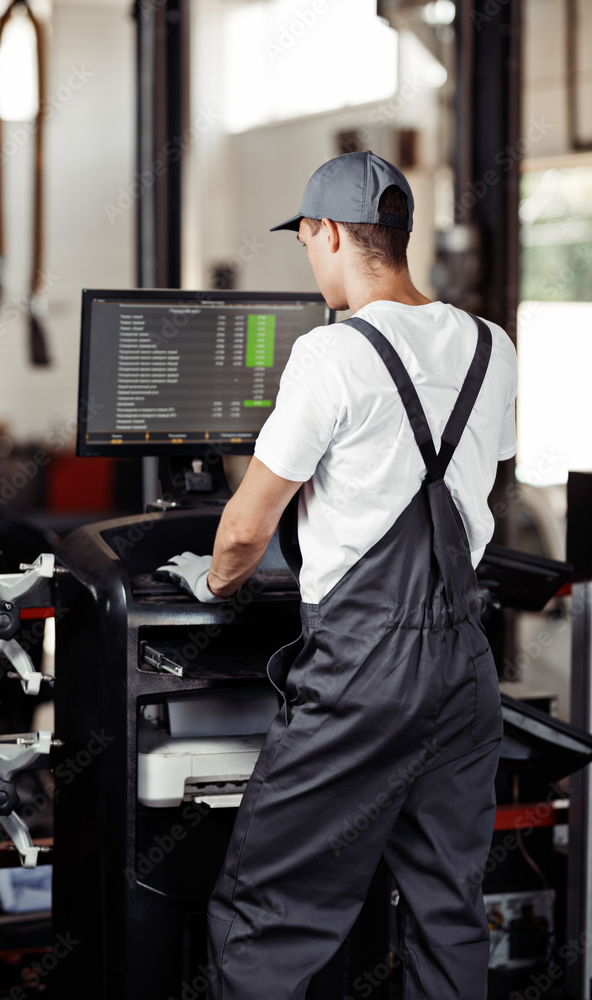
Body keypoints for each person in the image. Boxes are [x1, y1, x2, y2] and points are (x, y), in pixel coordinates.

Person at [157, 150, 518, 1000]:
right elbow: (470, 476)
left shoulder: (331, 354)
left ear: (323, 234)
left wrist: (211, 582)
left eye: (305, 240)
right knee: (447, 908)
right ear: (397, 235)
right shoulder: (490, 345)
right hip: (465, 668)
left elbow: (245, 527)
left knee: (268, 910)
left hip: (363, 673)